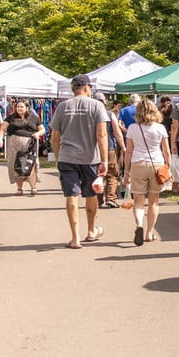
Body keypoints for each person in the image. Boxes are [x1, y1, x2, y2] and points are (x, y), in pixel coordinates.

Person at [50, 74, 111, 248]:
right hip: (90, 158)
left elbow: (55, 135)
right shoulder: (97, 105)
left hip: (67, 157)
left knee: (71, 195)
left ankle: (75, 238)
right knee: (91, 194)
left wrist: (57, 155)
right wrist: (105, 160)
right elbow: (102, 134)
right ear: (86, 87)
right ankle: (91, 231)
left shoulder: (63, 107)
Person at [123, 98, 170, 246]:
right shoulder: (160, 128)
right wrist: (168, 166)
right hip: (157, 164)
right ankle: (149, 233)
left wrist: (126, 171)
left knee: (138, 200)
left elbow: (128, 152)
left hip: (138, 164)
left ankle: (139, 225)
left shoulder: (132, 128)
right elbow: (166, 151)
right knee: (153, 201)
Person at [4, 100, 44, 196]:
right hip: (14, 145)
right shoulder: (11, 118)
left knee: (31, 164)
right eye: (18, 107)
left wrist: (38, 134)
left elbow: (42, 129)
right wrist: (0, 139)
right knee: (17, 165)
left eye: (21, 107)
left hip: (30, 144)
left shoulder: (34, 118)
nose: (19, 109)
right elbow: (2, 128)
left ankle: (33, 188)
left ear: (27, 108)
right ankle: (19, 189)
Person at [99, 98, 125, 208]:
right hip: (109, 147)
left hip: (94, 149)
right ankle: (111, 198)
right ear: (104, 103)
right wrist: (123, 147)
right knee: (112, 173)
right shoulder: (110, 114)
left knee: (97, 174)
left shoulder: (89, 114)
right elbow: (117, 132)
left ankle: (98, 199)